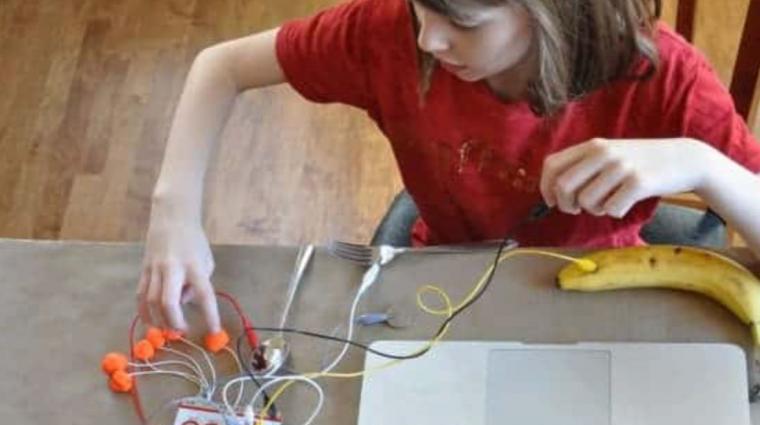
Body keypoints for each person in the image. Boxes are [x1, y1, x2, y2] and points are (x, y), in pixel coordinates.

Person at [138, 0, 760, 334]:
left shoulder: (665, 79)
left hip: (599, 287)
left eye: (458, 20)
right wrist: (174, 215)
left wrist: (699, 164)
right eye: (419, 7)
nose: (427, 40)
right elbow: (221, 67)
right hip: (443, 277)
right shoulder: (386, 34)